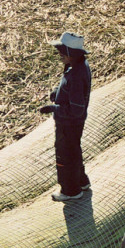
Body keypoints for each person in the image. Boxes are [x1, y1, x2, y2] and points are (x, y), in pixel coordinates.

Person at [39, 32, 92, 201]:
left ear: (72, 54)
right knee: (74, 151)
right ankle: (82, 181)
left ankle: (70, 191)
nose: (59, 54)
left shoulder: (76, 76)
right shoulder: (77, 67)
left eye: (62, 51)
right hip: (74, 123)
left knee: (65, 156)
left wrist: (54, 108)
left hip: (69, 124)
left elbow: (75, 109)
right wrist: (57, 92)